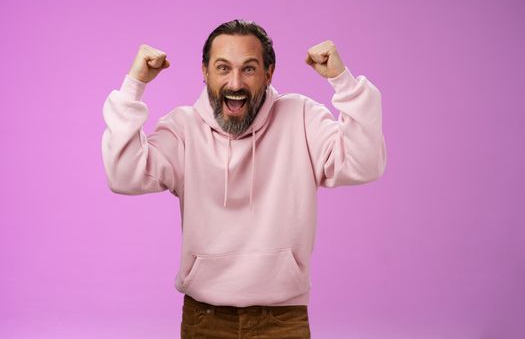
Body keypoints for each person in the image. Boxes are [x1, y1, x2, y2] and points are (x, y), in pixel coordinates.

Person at [101, 19, 387, 339]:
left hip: (283, 318)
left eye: (249, 69)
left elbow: (364, 163)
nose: (235, 83)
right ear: (205, 72)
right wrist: (134, 84)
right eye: (223, 68)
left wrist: (343, 82)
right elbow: (123, 174)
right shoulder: (183, 128)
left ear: (269, 73)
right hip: (205, 317)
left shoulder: (302, 118)